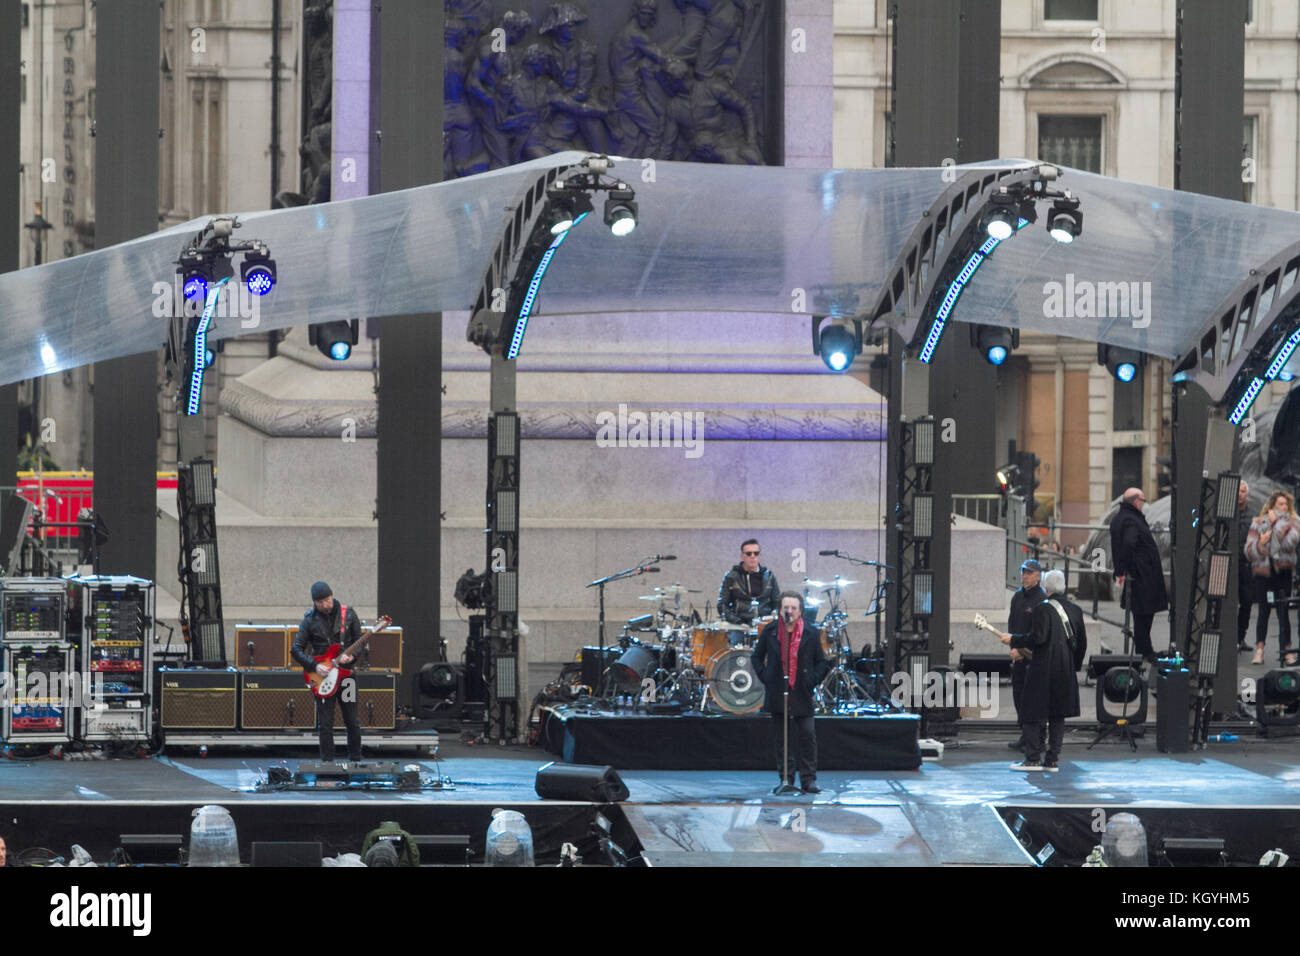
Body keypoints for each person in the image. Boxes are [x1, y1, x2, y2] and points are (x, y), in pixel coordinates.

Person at [1007, 570, 1083, 772]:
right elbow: (1081, 645)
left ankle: (1032, 758)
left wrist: (1014, 640)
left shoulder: (1042, 609)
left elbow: (1037, 638)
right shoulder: (1076, 611)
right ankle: (1052, 760)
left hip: (1043, 667)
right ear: (1065, 588)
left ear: (1046, 588)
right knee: (1058, 714)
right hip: (1065, 668)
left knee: (1030, 711)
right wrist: (1072, 667)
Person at [751, 591, 828, 793]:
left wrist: (811, 681)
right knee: (782, 738)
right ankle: (786, 778)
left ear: (800, 611)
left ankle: (809, 779)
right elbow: (756, 658)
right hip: (778, 689)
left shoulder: (811, 633)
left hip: (801, 691)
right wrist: (766, 677)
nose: (789, 611)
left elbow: (822, 662)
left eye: (793, 608)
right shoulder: (771, 631)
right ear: (780, 610)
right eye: (786, 607)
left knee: (807, 734)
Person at [291, 581, 364, 762]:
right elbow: (296, 649)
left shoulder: (349, 614)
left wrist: (352, 656)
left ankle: (355, 759)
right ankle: (327, 762)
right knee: (325, 723)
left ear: (332, 596)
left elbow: (359, 641)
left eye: (327, 600)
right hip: (322, 677)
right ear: (314, 603)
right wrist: (314, 666)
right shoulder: (309, 620)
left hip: (347, 676)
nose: (324, 605)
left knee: (352, 721)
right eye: (319, 602)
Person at [1109, 488, 1168, 663]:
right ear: (1136, 501)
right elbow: (1129, 543)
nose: (1144, 503)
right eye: (1143, 499)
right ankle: (1145, 651)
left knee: (1142, 614)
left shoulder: (1122, 517)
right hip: (1142, 575)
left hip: (1139, 574)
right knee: (1144, 614)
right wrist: (1132, 566)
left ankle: (1146, 649)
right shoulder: (1131, 520)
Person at [1245, 490, 1300, 666]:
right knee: (1263, 611)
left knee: (1283, 612)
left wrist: (1276, 523)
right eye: (1279, 504)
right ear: (1271, 506)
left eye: (1285, 504)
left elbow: (1290, 542)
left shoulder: (1293, 522)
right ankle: (1259, 649)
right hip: (1264, 573)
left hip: (1282, 573)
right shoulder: (1258, 523)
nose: (1283, 507)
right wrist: (1261, 544)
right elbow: (1248, 550)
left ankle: (1287, 651)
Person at [1006, 559, 1047, 752]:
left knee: (1034, 701)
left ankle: (1038, 738)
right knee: (1019, 697)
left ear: (1038, 576)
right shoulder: (1017, 597)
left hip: (1034, 659)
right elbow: (1012, 626)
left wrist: (1022, 650)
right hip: (1018, 657)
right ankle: (1026, 735)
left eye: (1029, 573)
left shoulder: (1041, 599)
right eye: (1023, 572)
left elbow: (1038, 634)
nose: (1024, 576)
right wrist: (1013, 647)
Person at [717, 538, 780, 624]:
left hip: (764, 623)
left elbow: (777, 602)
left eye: (756, 553)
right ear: (742, 556)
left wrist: (772, 618)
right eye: (748, 553)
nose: (752, 556)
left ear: (759, 556)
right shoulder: (731, 577)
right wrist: (737, 622)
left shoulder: (769, 576)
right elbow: (722, 605)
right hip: (739, 624)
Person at [1237, 481, 1255, 653]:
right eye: (1238, 491)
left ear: (1247, 494)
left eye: (1243, 491)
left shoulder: (1253, 515)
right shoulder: (1228, 514)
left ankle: (1240, 636)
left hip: (1245, 565)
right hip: (1229, 564)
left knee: (1247, 601)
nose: (1240, 494)